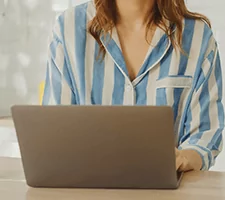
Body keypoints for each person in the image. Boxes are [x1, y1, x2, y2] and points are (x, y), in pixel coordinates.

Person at [43, 0, 224, 172]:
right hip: (86, 189)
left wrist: (183, 158)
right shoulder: (68, 30)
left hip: (167, 192)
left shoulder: (198, 38)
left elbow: (205, 134)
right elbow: (57, 133)